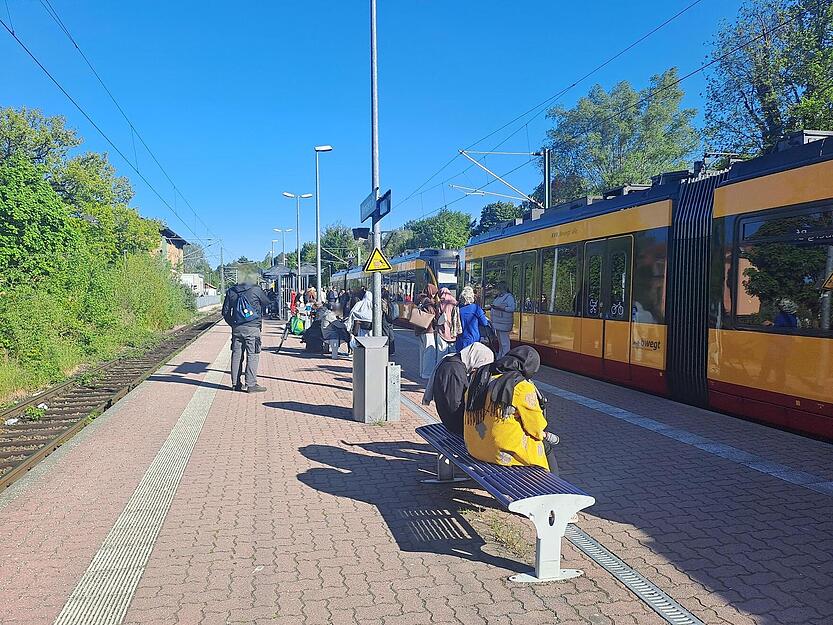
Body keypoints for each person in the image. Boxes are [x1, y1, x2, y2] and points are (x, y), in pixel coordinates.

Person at [464, 346, 559, 472]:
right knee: (546, 447)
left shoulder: (481, 376)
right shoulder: (521, 386)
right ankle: (552, 483)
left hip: (474, 447)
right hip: (501, 453)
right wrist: (543, 434)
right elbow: (536, 427)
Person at [422, 342, 494, 436]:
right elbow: (454, 404)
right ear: (476, 359)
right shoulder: (454, 370)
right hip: (455, 422)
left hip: (451, 418)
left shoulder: (451, 361)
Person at [222, 280, 274, 393]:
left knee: (236, 355)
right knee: (252, 355)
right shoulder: (256, 290)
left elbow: (225, 312)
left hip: (237, 329)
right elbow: (267, 302)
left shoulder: (231, 291)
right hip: (253, 328)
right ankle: (251, 384)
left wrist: (234, 324)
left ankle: (235, 384)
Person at [415, 284, 441, 379]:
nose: (434, 295)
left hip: (420, 329)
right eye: (434, 293)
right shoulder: (428, 302)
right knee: (429, 351)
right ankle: (427, 373)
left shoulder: (420, 299)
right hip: (428, 329)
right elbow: (432, 314)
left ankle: (422, 372)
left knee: (423, 351)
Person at [456, 285, 490, 352]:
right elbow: (484, 323)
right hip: (473, 338)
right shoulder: (475, 308)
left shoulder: (457, 308)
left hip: (460, 339)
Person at [489, 282, 515, 357]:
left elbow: (512, 308)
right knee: (501, 342)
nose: (496, 290)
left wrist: (501, 308)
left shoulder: (509, 297)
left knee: (504, 342)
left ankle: (505, 357)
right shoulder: (499, 297)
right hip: (498, 323)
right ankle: (500, 356)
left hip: (504, 323)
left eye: (498, 288)